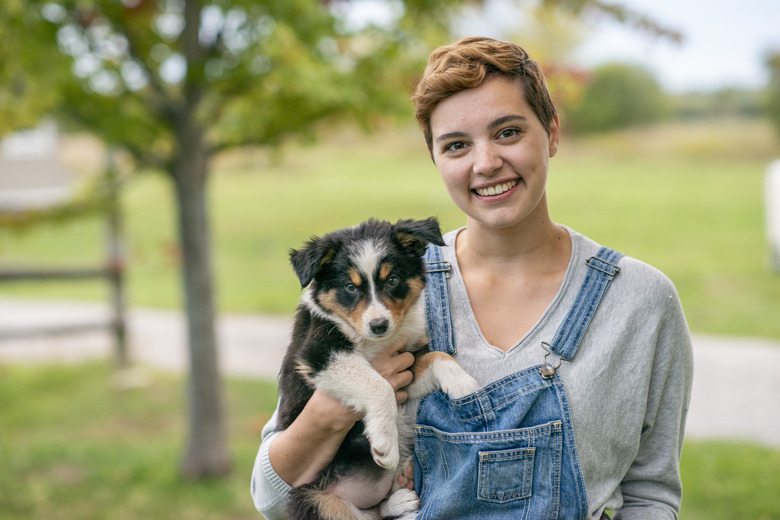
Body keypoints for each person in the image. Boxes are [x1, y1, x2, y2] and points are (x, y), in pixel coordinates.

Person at [252, 36, 693, 520]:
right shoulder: (399, 292)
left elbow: (650, 496)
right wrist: (337, 407)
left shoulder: (640, 300)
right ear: (436, 158)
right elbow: (274, 497)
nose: (485, 164)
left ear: (552, 132)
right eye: (457, 145)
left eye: (507, 132)